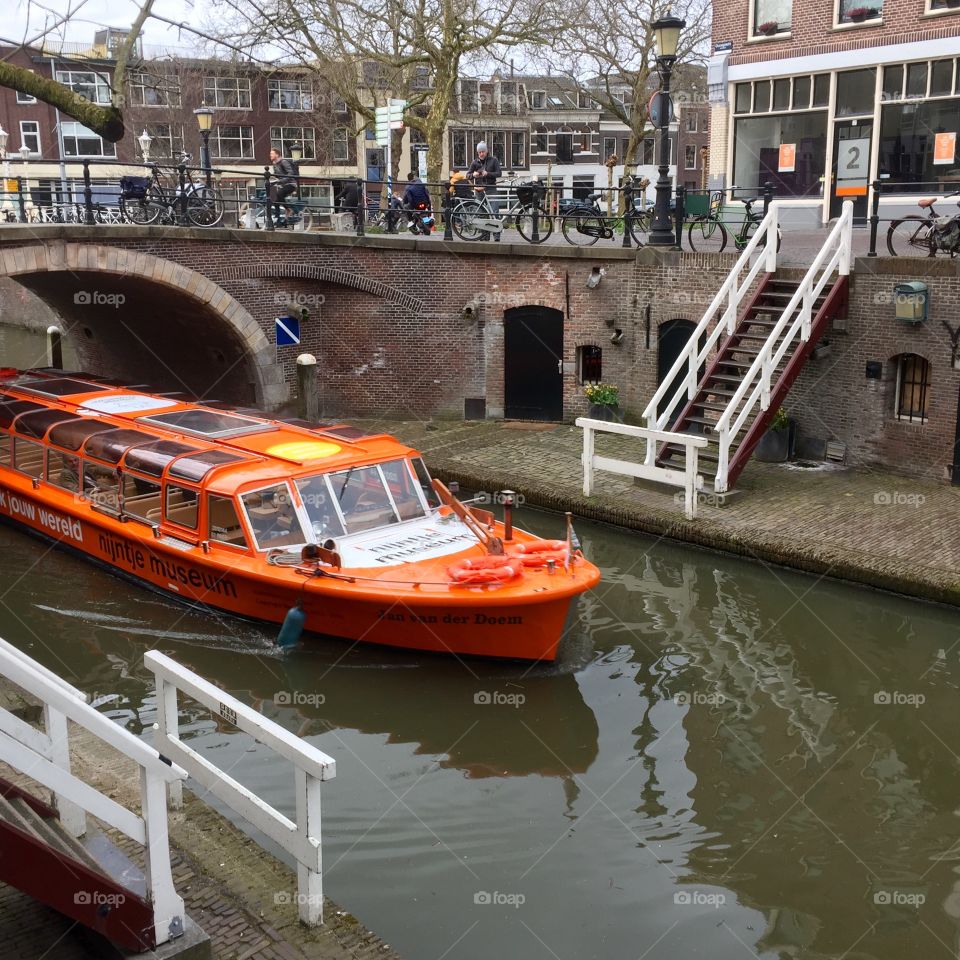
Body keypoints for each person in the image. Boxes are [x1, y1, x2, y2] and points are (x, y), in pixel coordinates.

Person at [466, 141, 502, 240]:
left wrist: (488, 174)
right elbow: (467, 175)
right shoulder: (475, 162)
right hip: (479, 190)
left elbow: (499, 173)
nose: (481, 154)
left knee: (494, 211)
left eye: (483, 151)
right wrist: (473, 175)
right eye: (479, 152)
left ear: (487, 151)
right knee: (481, 213)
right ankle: (484, 236)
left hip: (491, 188)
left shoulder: (493, 160)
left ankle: (496, 235)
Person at [269, 147, 298, 222]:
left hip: (291, 184)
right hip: (283, 184)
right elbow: (277, 175)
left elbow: (291, 173)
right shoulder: (275, 164)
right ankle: (278, 218)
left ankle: (288, 210)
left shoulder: (283, 162)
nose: (270, 155)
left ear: (277, 155)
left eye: (272, 154)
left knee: (279, 194)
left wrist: (281, 180)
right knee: (274, 198)